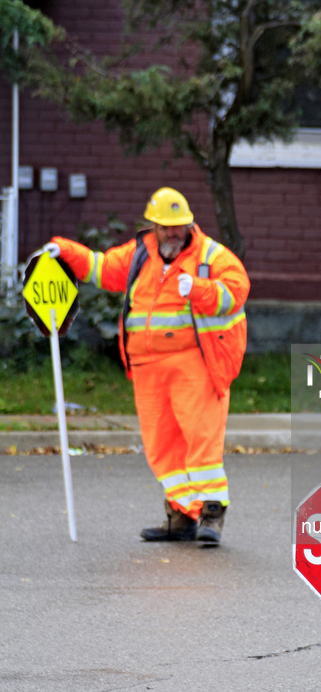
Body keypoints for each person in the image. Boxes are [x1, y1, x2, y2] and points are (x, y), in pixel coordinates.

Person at [43, 187, 249, 545]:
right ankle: (181, 516)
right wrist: (64, 250)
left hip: (193, 363)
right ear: (153, 226)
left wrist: (199, 288)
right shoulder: (141, 254)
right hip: (146, 367)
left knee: (200, 439)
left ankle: (211, 515)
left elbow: (236, 291)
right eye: (165, 228)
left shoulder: (211, 256)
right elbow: (102, 268)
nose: (172, 234)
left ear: (189, 224)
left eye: (178, 227)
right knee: (160, 444)